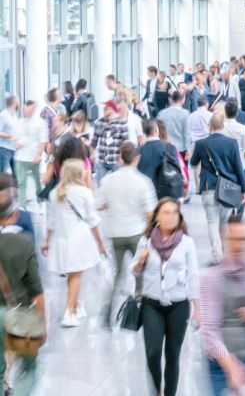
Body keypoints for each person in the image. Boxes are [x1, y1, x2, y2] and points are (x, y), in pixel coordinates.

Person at [132, 198, 200, 396]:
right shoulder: (146, 242)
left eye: (174, 212)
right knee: (152, 353)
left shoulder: (187, 243)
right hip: (151, 304)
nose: (171, 216)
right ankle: (157, 389)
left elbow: (193, 275)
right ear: (157, 217)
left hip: (178, 305)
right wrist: (140, 262)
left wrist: (198, 309)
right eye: (166, 212)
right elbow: (135, 272)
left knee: (172, 355)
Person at [201, 217, 245, 396]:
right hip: (220, 361)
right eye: (235, 239)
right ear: (225, 241)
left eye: (244, 239)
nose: (240, 245)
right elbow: (210, 331)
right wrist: (230, 366)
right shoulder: (212, 276)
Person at [41, 158, 106, 327]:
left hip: (61, 239)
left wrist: (46, 241)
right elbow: (93, 221)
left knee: (73, 275)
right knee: (76, 275)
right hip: (80, 239)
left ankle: (76, 306)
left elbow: (51, 221)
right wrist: (100, 243)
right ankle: (68, 312)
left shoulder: (55, 193)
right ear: (78, 173)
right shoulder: (84, 193)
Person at [96, 143, 155, 317]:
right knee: (139, 272)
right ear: (137, 159)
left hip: (115, 233)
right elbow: (150, 212)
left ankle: (108, 312)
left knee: (119, 273)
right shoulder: (143, 181)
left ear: (120, 158)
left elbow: (99, 204)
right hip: (137, 232)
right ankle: (139, 308)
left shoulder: (108, 180)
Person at [190, 114, 245, 263]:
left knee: (212, 222)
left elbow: (193, 161)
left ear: (209, 126)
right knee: (223, 222)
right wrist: (244, 189)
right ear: (223, 126)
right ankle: (223, 251)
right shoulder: (232, 143)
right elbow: (238, 167)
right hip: (228, 190)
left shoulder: (201, 144)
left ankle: (217, 254)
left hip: (209, 188)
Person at [0, 209, 44, 396]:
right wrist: (43, 322)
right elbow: (36, 290)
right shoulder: (23, 243)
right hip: (18, 313)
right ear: (13, 216)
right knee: (30, 368)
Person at [13, 100, 48, 206]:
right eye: (24, 109)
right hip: (21, 158)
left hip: (34, 158)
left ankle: (40, 202)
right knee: (21, 183)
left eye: (28, 110)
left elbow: (43, 141)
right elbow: (15, 139)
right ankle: (22, 205)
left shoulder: (41, 123)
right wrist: (17, 144)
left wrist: (39, 154)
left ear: (34, 109)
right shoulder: (19, 122)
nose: (25, 112)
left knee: (37, 182)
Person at [90, 100, 129, 185]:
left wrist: (123, 157)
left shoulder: (122, 123)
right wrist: (92, 153)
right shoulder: (99, 122)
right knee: (101, 184)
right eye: (104, 109)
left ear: (113, 109)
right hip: (101, 159)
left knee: (118, 185)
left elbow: (126, 143)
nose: (105, 110)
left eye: (107, 108)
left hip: (116, 159)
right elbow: (94, 140)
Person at [157, 90, 191, 166]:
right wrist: (188, 149)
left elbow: (158, 130)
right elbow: (187, 133)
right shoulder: (185, 113)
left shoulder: (162, 113)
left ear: (171, 99)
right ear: (181, 100)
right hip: (181, 148)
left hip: (165, 146)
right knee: (182, 172)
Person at [0, 95, 17, 175]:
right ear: (13, 103)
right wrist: (11, 136)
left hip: (14, 149)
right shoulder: (3, 115)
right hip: (5, 150)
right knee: (3, 173)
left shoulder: (14, 115)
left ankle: (16, 187)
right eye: (17, 101)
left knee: (16, 173)